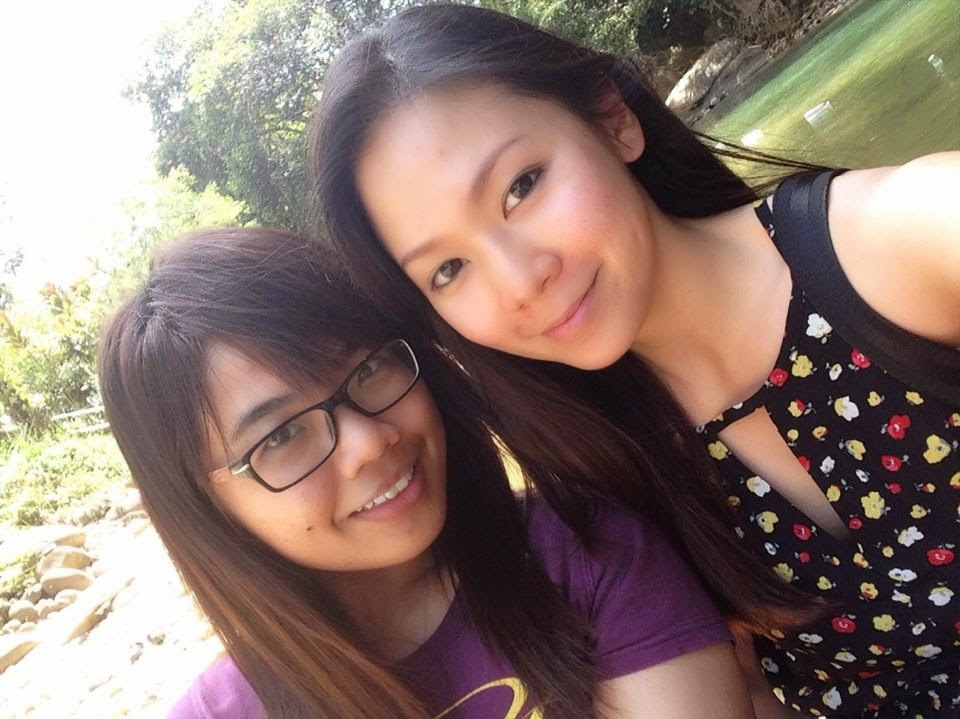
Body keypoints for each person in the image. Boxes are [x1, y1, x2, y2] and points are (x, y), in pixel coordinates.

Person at [306, 5, 960, 717]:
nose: (520, 281)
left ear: (613, 118)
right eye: (449, 269)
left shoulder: (901, 244)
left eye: (522, 186)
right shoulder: (608, 474)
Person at [97, 227, 753, 719]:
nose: (369, 442)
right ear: (208, 502)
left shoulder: (588, 553)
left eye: (368, 369)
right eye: (283, 435)